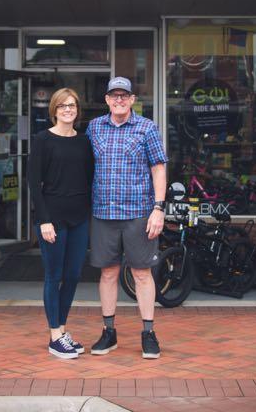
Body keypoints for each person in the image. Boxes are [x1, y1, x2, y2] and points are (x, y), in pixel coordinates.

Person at [87, 77, 167, 359]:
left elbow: (158, 168)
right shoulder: (94, 127)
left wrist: (158, 208)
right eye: (114, 95)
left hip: (138, 213)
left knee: (141, 273)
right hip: (103, 213)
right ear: (107, 100)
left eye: (124, 95)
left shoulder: (146, 128)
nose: (119, 100)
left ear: (132, 99)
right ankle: (109, 332)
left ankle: (148, 334)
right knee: (108, 273)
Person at [27, 87, 94, 359]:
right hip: (53, 218)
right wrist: (43, 220)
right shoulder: (42, 140)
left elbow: (89, 179)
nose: (68, 109)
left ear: (77, 110)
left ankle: (62, 330)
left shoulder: (84, 141)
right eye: (62, 105)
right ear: (54, 110)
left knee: (74, 275)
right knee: (54, 276)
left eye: (72, 105)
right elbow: (34, 183)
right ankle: (55, 336)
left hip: (79, 218)